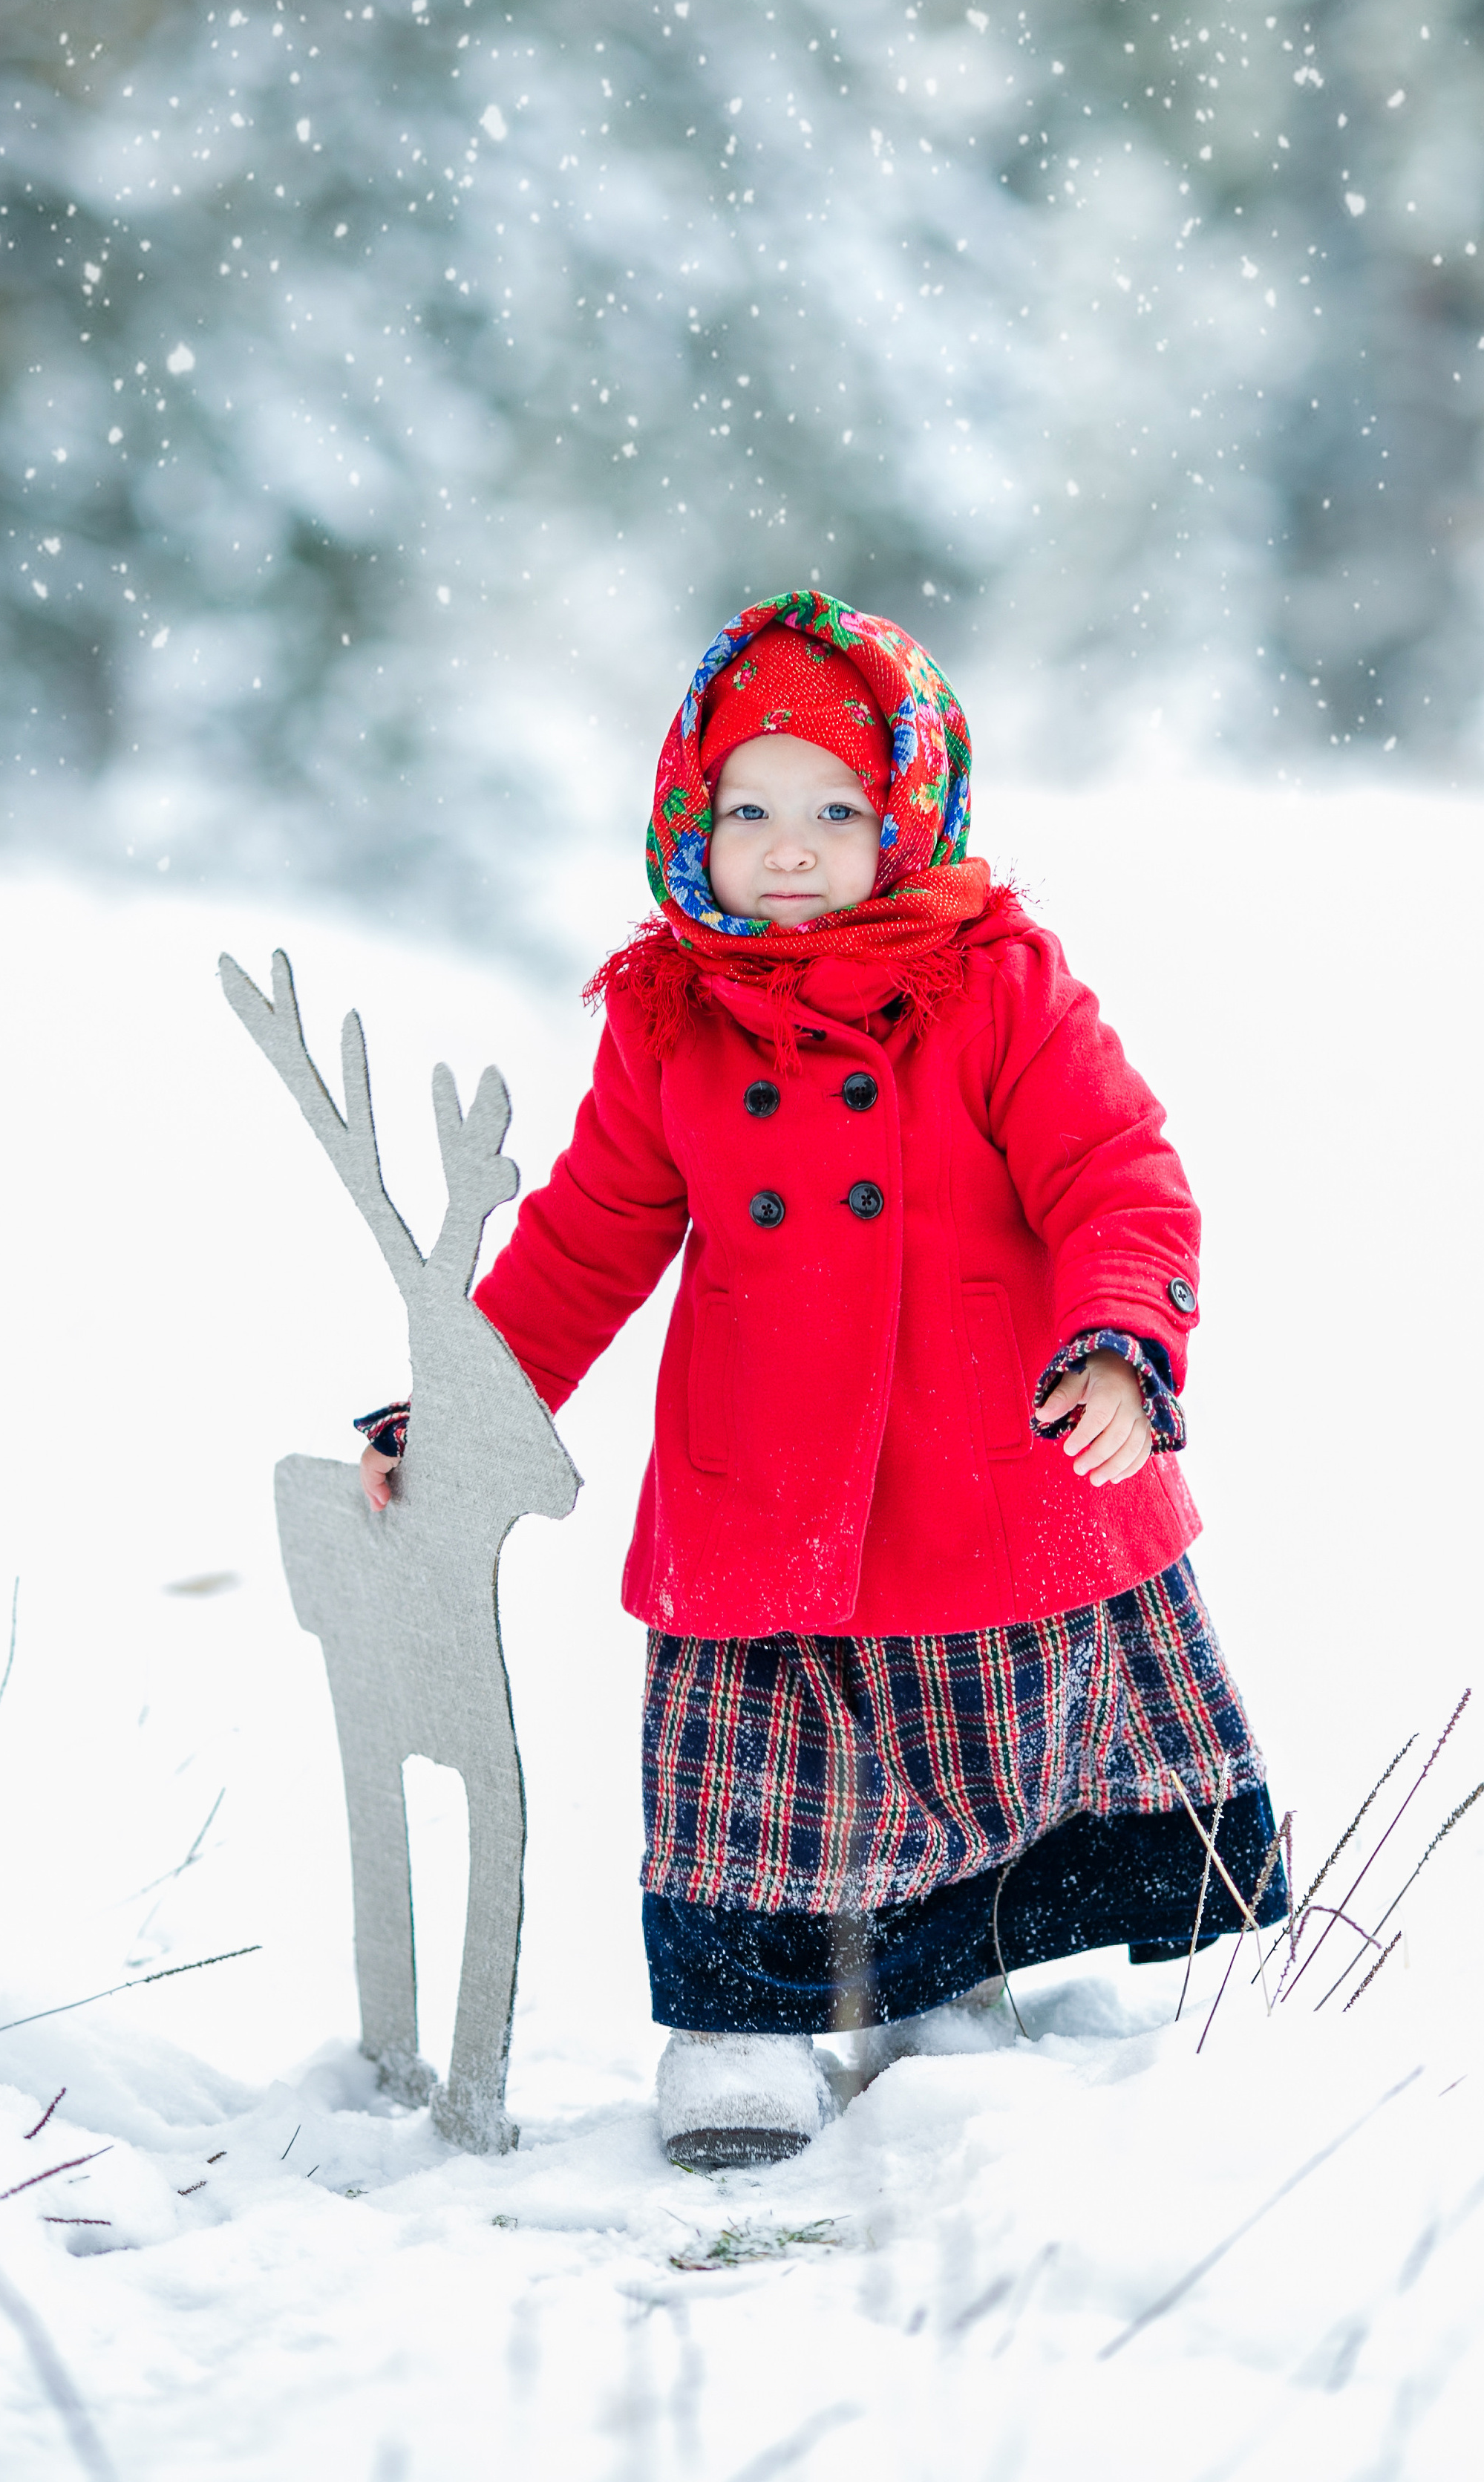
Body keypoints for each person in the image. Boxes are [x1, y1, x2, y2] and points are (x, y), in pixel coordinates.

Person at [356, 592, 1284, 2168]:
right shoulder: (669, 1026)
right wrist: (462, 1410)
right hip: (762, 1481)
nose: (787, 848)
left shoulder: (998, 988)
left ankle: (945, 1985)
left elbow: (1116, 1178)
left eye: (835, 809)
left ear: (907, 813)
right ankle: (738, 2031)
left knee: (976, 1744)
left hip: (981, 1453)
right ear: (686, 821)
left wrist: (1122, 1342)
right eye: (748, 809)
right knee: (751, 1777)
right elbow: (586, 1240)